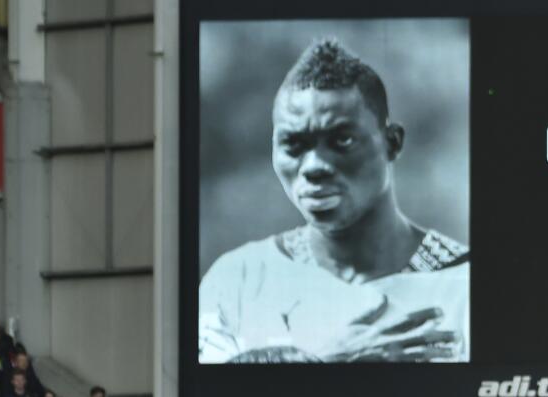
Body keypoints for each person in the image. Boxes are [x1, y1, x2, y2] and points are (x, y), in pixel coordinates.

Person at [198, 38, 469, 364]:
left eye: (342, 140)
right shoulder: (239, 278)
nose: (314, 167)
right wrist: (330, 364)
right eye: (293, 144)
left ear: (392, 143)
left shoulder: (465, 286)